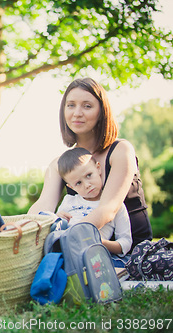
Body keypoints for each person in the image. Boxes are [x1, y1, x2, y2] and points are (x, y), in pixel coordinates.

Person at [28, 77, 152, 253]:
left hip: (130, 252)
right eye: (71, 105)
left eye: (87, 106)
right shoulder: (58, 164)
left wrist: (68, 236)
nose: (77, 113)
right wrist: (22, 228)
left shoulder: (120, 150)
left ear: (102, 112)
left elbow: (107, 210)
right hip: (81, 250)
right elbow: (42, 207)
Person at [56, 147, 131, 267]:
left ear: (98, 168)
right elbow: (56, 228)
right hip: (66, 253)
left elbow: (126, 243)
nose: (87, 185)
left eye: (89, 175)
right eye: (78, 183)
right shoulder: (68, 201)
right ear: (71, 187)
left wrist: (102, 243)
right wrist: (57, 217)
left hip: (96, 256)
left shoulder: (114, 204)